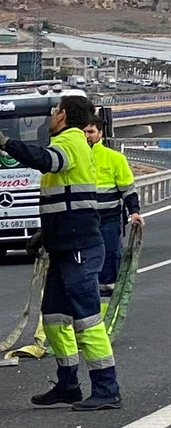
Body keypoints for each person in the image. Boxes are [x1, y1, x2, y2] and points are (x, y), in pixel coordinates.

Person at [0, 95, 122, 411]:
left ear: (64, 115)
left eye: (55, 111)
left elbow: (47, 160)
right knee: (55, 319)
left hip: (79, 248)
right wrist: (46, 233)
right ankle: (68, 384)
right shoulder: (70, 142)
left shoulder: (70, 140)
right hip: (62, 246)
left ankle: (106, 388)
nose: (52, 117)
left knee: (86, 319)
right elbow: (67, 200)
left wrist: (4, 143)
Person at [87, 122, 144, 301]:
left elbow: (128, 190)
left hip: (108, 219)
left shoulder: (114, 158)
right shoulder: (73, 158)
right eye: (83, 132)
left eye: (91, 131)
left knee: (110, 256)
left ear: (100, 133)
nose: (87, 136)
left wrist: (134, 212)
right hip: (82, 221)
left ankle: (109, 297)